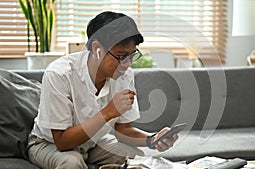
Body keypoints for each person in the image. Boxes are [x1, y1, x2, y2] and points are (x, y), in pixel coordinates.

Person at [27, 11, 178, 169]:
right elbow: (62, 141)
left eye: (132, 55)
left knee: (129, 151)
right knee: (72, 162)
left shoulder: (124, 75)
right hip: (48, 144)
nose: (127, 64)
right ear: (97, 49)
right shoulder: (60, 74)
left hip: (91, 143)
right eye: (121, 56)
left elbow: (123, 130)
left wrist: (152, 139)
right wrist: (108, 112)